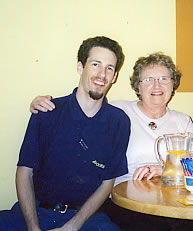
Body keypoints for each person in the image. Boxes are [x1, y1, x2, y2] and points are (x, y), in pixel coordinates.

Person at [29, 52, 193, 230]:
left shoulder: (183, 121)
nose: (157, 85)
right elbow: (86, 110)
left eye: (164, 78)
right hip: (128, 204)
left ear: (173, 83)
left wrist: (164, 170)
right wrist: (40, 103)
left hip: (175, 202)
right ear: (137, 86)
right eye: (148, 79)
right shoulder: (119, 112)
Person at [0, 36, 131, 231]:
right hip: (35, 212)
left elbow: (107, 183)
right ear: (80, 67)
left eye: (109, 68)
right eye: (96, 64)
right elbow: (24, 173)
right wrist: (33, 228)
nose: (102, 74)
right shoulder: (47, 112)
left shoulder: (119, 122)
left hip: (85, 219)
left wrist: (72, 227)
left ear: (115, 77)